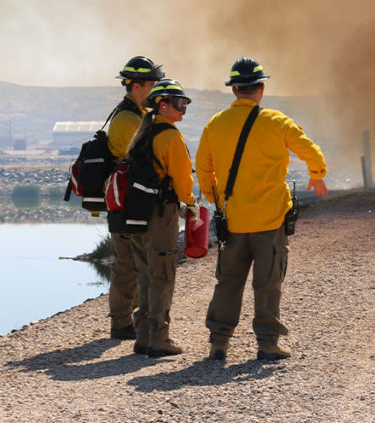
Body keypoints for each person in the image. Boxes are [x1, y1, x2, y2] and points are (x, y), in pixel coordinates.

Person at [197, 57, 328, 361]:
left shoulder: (215, 124)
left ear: (234, 91)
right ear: (261, 88)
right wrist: (317, 174)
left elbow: (204, 169)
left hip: (233, 220)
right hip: (270, 220)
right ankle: (268, 344)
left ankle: (219, 343)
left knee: (228, 282)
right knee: (267, 283)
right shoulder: (277, 122)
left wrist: (217, 200)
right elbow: (311, 151)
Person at [126, 79, 201, 357]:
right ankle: (159, 339)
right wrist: (192, 206)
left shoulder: (143, 134)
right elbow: (183, 183)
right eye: (179, 103)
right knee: (163, 273)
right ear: (163, 105)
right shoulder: (171, 136)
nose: (183, 108)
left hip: (138, 215)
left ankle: (143, 336)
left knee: (145, 272)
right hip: (161, 214)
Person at [108, 56, 164, 340]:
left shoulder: (136, 115)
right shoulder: (128, 119)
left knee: (136, 263)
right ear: (138, 85)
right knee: (126, 266)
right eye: (152, 84)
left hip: (134, 200)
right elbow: (142, 159)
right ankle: (121, 323)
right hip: (129, 202)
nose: (156, 88)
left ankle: (134, 319)